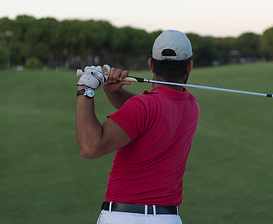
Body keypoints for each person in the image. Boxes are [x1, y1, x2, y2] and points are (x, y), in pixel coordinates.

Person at [76, 30, 200, 224]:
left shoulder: (143, 107)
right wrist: (113, 92)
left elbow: (90, 147)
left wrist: (85, 90)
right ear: (189, 67)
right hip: (168, 218)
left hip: (123, 217)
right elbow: (148, 112)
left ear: (150, 64)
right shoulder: (192, 106)